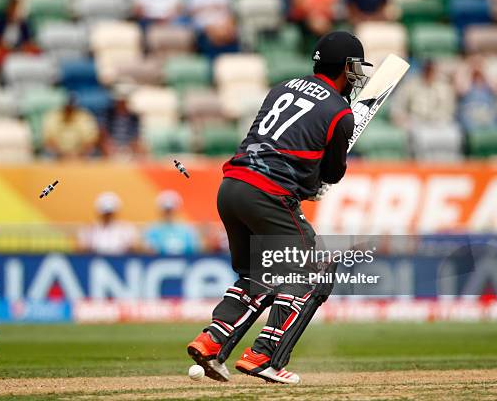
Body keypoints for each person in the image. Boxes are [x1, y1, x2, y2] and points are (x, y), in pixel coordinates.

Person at [187, 31, 371, 384]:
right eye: (355, 67)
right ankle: (263, 357)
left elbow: (278, 145)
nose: (357, 75)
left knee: (262, 275)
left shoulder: (283, 87)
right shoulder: (340, 113)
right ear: (345, 67)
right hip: (266, 195)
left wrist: (306, 183)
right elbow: (332, 172)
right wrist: (318, 178)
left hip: (231, 188)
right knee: (314, 271)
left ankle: (212, 342)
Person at [391, 60, 456, 130]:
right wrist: (401, 117)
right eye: (427, 70)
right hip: (414, 122)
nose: (429, 73)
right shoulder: (410, 84)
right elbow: (398, 106)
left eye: (432, 70)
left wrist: (437, 120)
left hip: (438, 123)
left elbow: (448, 111)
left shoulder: (444, 87)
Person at [144, 190, 200, 255]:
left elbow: (194, 250)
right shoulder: (152, 230)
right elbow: (149, 251)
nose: (169, 214)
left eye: (171, 210)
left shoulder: (188, 230)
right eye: (166, 211)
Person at [0, 0, 38, 65]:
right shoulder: (1, 20)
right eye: (14, 8)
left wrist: (22, 48)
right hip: (5, 48)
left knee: (35, 50)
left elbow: (27, 40)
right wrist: (7, 47)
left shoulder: (23, 23)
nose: (16, 11)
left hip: (20, 48)